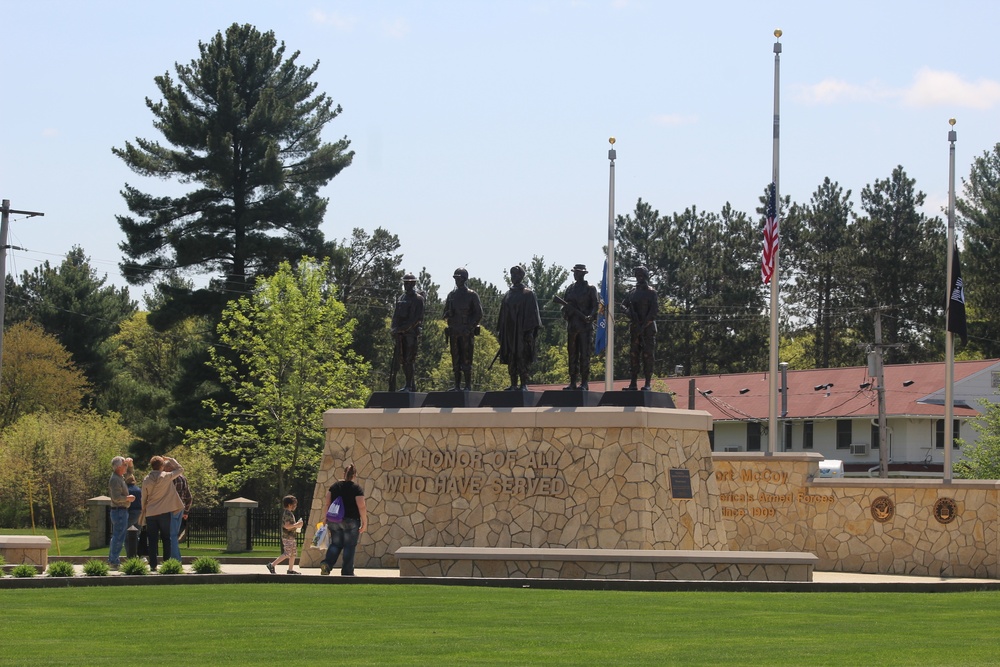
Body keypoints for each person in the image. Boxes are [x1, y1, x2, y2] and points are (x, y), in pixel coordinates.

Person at [496, 264, 542, 390]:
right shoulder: (508, 295)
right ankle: (513, 384)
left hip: (522, 333)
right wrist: (501, 332)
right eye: (512, 274)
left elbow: (533, 315)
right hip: (510, 333)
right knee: (511, 357)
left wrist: (530, 333)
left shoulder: (528, 294)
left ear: (522, 276)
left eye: (516, 274)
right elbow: (502, 315)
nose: (514, 277)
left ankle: (523, 384)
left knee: (522, 357)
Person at [319, 464, 368, 576]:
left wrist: (325, 518)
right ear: (354, 475)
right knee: (349, 545)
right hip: (351, 520)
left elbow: (327, 503)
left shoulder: (335, 486)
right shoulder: (356, 489)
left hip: (334, 520)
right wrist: (364, 521)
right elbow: (361, 506)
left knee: (335, 544)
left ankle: (327, 564)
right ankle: (347, 571)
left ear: (343, 474)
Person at [140, 456, 184, 571]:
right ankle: (166, 563)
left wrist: (144, 510)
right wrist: (172, 459)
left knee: (152, 540)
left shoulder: (146, 479)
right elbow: (180, 469)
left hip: (151, 513)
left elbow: (143, 497)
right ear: (162, 466)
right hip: (164, 512)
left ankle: (153, 565)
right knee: (166, 538)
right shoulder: (166, 476)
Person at [443, 267, 484, 391]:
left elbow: (479, 313)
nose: (457, 281)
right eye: (455, 278)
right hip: (454, 331)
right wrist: (448, 314)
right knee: (455, 357)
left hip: (466, 332)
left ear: (465, 279)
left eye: (459, 278)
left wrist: (470, 327)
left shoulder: (471, 295)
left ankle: (467, 386)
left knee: (466, 358)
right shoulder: (451, 295)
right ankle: (456, 386)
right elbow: (444, 313)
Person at [559, 264, 599, 391]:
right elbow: (563, 306)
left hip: (585, 328)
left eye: (578, 272)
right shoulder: (570, 289)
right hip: (572, 327)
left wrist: (591, 316)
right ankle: (572, 382)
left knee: (584, 355)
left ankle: (584, 382)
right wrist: (566, 311)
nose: (575, 274)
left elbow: (596, 306)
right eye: (575, 272)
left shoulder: (590, 289)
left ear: (583, 274)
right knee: (572, 355)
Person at [622, 266, 658, 391]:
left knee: (648, 356)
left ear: (646, 275)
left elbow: (653, 312)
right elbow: (623, 305)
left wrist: (643, 325)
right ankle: (633, 383)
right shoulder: (632, 292)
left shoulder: (651, 292)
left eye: (641, 274)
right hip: (635, 329)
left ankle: (647, 383)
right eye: (637, 275)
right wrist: (628, 313)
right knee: (633, 355)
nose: (639, 277)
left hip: (647, 329)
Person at [389, 273, 425, 392]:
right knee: (402, 360)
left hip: (411, 334)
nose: (406, 285)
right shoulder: (401, 298)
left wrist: (403, 328)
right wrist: (394, 328)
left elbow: (417, 318)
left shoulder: (418, 299)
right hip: (400, 334)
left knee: (409, 359)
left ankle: (410, 385)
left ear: (414, 283)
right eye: (405, 283)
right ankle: (409, 384)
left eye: (409, 283)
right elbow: (395, 315)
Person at [161, 459, 193, 562]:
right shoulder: (183, 478)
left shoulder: (170, 479)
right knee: (174, 534)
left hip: (171, 508)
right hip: (180, 509)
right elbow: (189, 496)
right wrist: (186, 511)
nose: (163, 470)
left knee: (172, 535)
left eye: (164, 468)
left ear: (169, 468)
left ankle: (175, 559)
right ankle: (175, 558)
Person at [107, 456, 135, 569]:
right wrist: (128, 498)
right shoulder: (115, 479)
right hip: (119, 511)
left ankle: (113, 560)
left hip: (121, 511)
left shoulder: (120, 477)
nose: (126, 467)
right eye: (124, 465)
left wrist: (130, 464)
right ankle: (113, 561)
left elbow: (130, 474)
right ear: (119, 467)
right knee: (118, 536)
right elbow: (116, 497)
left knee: (118, 536)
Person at [267, 495, 304, 575]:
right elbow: (286, 526)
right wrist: (296, 525)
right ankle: (272, 565)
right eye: (294, 504)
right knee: (287, 553)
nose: (295, 506)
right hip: (287, 537)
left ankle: (290, 570)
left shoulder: (289, 513)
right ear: (289, 505)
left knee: (293, 553)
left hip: (291, 536)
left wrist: (296, 526)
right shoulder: (287, 514)